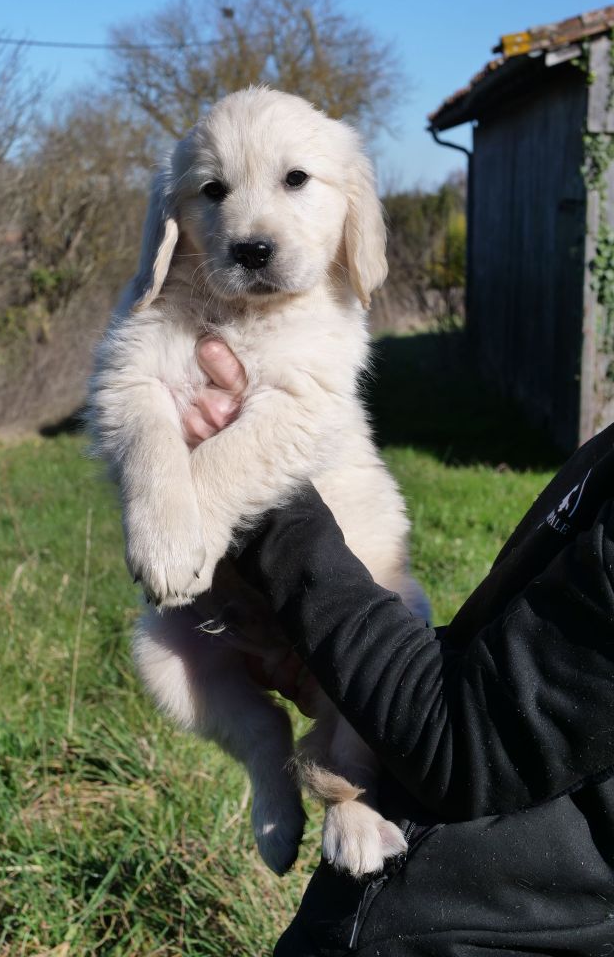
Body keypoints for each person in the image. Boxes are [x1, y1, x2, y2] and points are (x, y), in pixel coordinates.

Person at [182, 337, 614, 957]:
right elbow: (527, 685)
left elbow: (473, 749)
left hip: (475, 927)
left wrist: (262, 493)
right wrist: (348, 664)